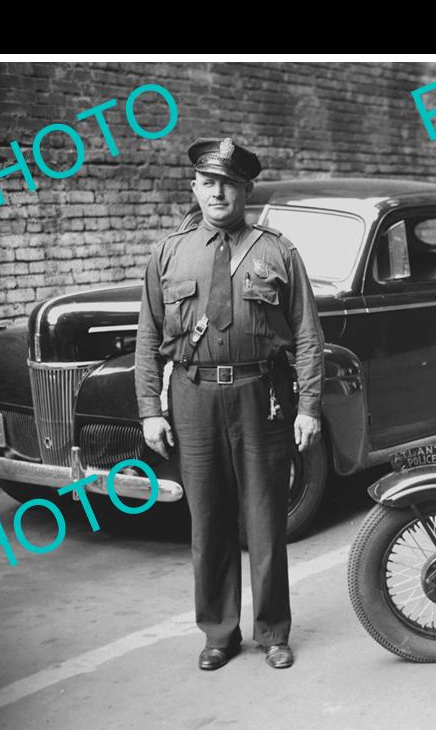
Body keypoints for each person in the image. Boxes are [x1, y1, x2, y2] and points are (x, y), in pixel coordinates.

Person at [134, 137, 324, 672]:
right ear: (194, 187)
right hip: (192, 397)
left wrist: (308, 405)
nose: (219, 192)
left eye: (230, 184)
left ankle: (272, 631)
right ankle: (219, 632)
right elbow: (148, 337)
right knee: (209, 519)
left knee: (265, 517)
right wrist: (151, 408)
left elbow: (308, 335)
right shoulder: (168, 252)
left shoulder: (277, 251)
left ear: (246, 190)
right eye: (209, 182)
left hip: (260, 396)